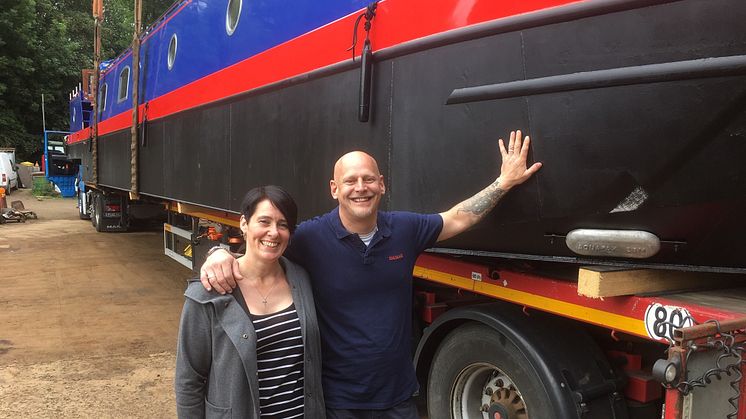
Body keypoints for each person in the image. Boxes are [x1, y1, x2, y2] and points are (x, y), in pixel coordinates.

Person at [200, 130, 542, 418]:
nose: (359, 187)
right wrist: (218, 254)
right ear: (334, 189)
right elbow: (263, 249)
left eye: (368, 179)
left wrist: (504, 181)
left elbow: (457, 218)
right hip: (338, 402)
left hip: (398, 397)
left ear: (382, 185)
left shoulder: (405, 230)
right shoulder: (310, 238)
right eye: (350, 181)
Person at [175, 186, 326, 418]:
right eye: (264, 221)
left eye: (283, 224)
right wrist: (217, 251)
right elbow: (189, 381)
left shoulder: (301, 279)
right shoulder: (209, 293)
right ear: (244, 224)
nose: (273, 232)